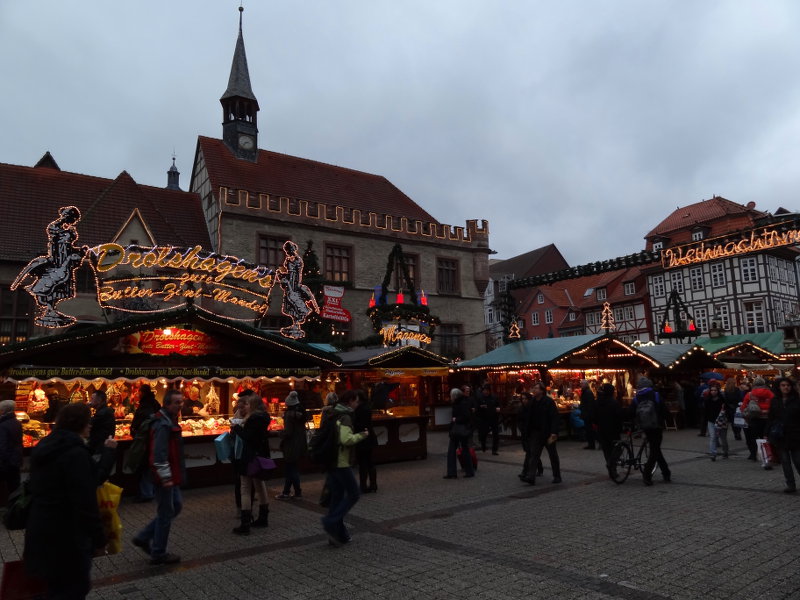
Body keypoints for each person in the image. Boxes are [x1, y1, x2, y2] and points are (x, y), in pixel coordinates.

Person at [23, 403, 108, 599]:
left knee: (54, 588)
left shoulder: (44, 447)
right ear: (79, 424)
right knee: (73, 590)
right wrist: (99, 538)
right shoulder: (76, 454)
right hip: (68, 538)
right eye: (88, 422)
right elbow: (85, 503)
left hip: (40, 530)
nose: (90, 426)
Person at [132, 389, 186, 565]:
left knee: (175, 506)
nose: (180, 405)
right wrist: (165, 477)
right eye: (176, 402)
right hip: (165, 475)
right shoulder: (162, 424)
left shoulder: (169, 420)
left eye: (181, 402)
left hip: (171, 474)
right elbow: (159, 454)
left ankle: (144, 536)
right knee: (166, 513)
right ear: (167, 404)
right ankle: (158, 552)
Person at [321, 389, 368, 547]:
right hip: (341, 462)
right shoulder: (346, 416)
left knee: (337, 498)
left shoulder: (332, 413)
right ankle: (330, 521)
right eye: (355, 401)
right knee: (354, 494)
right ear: (350, 401)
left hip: (331, 461)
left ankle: (338, 534)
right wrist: (362, 435)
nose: (357, 404)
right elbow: (346, 439)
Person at [231, 390, 272, 534]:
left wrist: (236, 427)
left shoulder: (252, 419)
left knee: (245, 488)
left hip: (248, 456)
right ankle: (263, 517)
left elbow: (247, 436)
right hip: (261, 455)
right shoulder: (265, 417)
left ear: (253, 405)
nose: (246, 406)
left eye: (248, 403)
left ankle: (245, 524)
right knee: (260, 485)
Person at [631, 377, 671, 485]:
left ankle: (666, 473)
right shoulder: (656, 395)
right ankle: (647, 475)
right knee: (654, 451)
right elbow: (664, 410)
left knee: (655, 449)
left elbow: (631, 412)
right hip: (656, 426)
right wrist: (666, 421)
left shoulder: (636, 398)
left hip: (645, 427)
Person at [521, 382, 561, 485]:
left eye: (536, 388)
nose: (534, 390)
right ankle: (531, 476)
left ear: (542, 391)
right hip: (536, 433)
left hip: (547, 433)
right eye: (533, 388)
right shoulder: (532, 402)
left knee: (553, 455)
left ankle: (557, 476)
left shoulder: (548, 402)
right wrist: (527, 431)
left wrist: (554, 432)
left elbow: (554, 417)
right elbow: (528, 417)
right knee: (534, 455)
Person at [767, 377, 800, 492]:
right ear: (779, 387)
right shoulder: (775, 400)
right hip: (780, 435)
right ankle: (791, 485)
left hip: (795, 435)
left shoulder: (796, 400)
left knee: (798, 461)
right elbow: (771, 417)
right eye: (783, 385)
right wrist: (767, 433)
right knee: (785, 463)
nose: (786, 387)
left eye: (788, 385)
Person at [130, 385, 160, 502]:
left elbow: (141, 422)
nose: (137, 394)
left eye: (138, 392)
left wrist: (134, 430)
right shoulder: (155, 403)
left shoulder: (145, 406)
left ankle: (146, 493)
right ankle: (149, 491)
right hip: (152, 439)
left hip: (145, 440)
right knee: (149, 467)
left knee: (144, 467)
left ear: (142, 392)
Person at [277, 390, 307, 499]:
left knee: (291, 469)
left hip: (291, 445)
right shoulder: (301, 413)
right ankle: (286, 491)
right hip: (299, 444)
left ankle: (297, 492)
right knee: (291, 468)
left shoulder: (289, 415)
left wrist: (279, 433)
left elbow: (288, 432)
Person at [444, 388, 475, 479]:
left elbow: (466, 417)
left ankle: (452, 472)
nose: (450, 397)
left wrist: (455, 420)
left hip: (459, 430)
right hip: (460, 430)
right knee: (464, 450)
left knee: (454, 451)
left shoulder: (460, 404)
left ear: (454, 396)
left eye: (451, 395)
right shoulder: (461, 402)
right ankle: (469, 471)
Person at [353, 389, 378, 493]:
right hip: (369, 437)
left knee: (363, 463)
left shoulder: (359, 409)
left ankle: (363, 485)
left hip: (362, 438)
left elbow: (359, 424)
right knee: (370, 462)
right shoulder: (367, 407)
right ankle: (373, 484)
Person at [743, 377, 773, 462]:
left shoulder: (750, 394)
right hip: (767, 419)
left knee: (753, 438)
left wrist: (745, 416)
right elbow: (775, 405)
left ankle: (753, 455)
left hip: (754, 419)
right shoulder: (770, 393)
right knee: (766, 438)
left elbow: (743, 407)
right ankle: (767, 455)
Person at [595, 383, 623, 473]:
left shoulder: (597, 402)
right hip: (613, 430)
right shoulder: (613, 402)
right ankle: (611, 464)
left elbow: (593, 415)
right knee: (617, 449)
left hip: (601, 429)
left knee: (606, 450)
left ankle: (612, 469)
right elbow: (619, 416)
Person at [0, 400, 23, 501]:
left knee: (6, 486)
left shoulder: (3, 425)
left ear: (3, 410)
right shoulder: (16, 422)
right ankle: (15, 505)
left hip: (6, 461)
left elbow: (3, 445)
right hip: (16, 458)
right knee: (14, 485)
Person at [704, 380, 728, 461]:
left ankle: (725, 452)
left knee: (723, 438)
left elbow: (726, 409)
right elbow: (705, 411)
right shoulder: (708, 400)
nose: (713, 392)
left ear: (718, 391)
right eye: (712, 390)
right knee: (713, 437)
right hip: (711, 421)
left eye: (715, 390)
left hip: (721, 421)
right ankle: (713, 454)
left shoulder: (722, 399)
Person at [88, 389, 115, 457]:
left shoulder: (102, 413)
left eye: (92, 398)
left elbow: (90, 424)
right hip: (102, 446)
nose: (90, 401)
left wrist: (86, 408)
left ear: (99, 400)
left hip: (99, 447)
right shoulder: (105, 411)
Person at [476, 384, 501, 455]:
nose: (486, 392)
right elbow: (476, 408)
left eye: (487, 390)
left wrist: (498, 408)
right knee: (483, 434)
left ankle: (494, 450)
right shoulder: (480, 398)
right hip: (484, 419)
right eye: (484, 390)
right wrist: (480, 407)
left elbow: (498, 405)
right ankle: (483, 445)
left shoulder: (494, 397)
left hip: (493, 418)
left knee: (496, 434)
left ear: (489, 391)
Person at [579, 379, 597, 450]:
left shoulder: (587, 392)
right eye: (581, 384)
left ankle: (592, 444)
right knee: (588, 430)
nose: (581, 385)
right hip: (586, 414)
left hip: (588, 415)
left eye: (582, 384)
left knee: (589, 430)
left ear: (586, 384)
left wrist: (588, 414)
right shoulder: (586, 392)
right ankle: (591, 444)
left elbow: (590, 405)